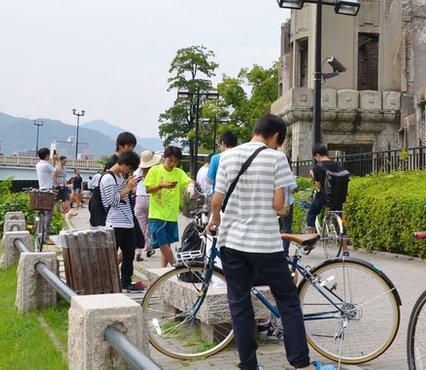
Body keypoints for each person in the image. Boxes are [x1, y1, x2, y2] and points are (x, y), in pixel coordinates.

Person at [206, 114, 332, 370]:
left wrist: (214, 219)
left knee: (239, 303)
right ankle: (301, 365)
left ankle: (249, 366)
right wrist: (284, 210)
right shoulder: (276, 159)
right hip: (264, 243)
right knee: (287, 299)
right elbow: (279, 206)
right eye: (278, 142)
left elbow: (217, 200)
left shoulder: (226, 157)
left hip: (231, 242)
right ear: (275, 136)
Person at [99, 150, 146, 292]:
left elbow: (124, 197)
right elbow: (111, 201)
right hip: (115, 222)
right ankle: (106, 282)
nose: (130, 171)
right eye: (130, 168)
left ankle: (126, 282)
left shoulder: (120, 176)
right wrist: (128, 188)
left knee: (128, 254)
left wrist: (130, 188)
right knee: (111, 253)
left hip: (127, 222)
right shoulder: (108, 178)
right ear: (124, 163)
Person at [145, 146, 195, 267]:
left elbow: (190, 181)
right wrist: (161, 186)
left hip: (172, 214)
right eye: (170, 160)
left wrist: (190, 187)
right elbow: (148, 189)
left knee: (166, 243)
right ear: (164, 158)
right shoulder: (155, 170)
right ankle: (176, 266)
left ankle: (162, 271)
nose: (172, 164)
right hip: (157, 214)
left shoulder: (179, 173)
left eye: (175, 161)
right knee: (163, 243)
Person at [304, 144, 342, 233]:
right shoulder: (337, 165)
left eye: (315, 157)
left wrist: (314, 176)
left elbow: (318, 187)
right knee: (339, 217)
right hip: (337, 196)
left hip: (324, 197)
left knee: (312, 213)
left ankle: (310, 239)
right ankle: (344, 244)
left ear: (317, 155)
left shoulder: (317, 167)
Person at [133, 150, 161, 262]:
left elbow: (134, 187)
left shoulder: (137, 171)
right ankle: (148, 248)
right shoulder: (156, 170)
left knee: (140, 227)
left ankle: (138, 251)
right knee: (150, 227)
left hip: (139, 198)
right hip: (151, 198)